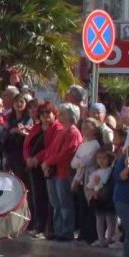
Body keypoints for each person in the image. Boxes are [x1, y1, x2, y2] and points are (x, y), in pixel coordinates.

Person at [41, 103, 83, 242]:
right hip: (54, 172)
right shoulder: (61, 131)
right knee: (56, 204)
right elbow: (51, 149)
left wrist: (49, 162)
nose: (59, 115)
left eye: (63, 113)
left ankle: (66, 231)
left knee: (65, 204)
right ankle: (58, 230)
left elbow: (67, 153)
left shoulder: (73, 132)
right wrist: (46, 162)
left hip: (64, 172)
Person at [24, 102, 56, 238]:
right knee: (37, 197)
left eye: (48, 113)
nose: (45, 116)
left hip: (47, 167)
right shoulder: (36, 128)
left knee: (48, 198)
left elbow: (52, 147)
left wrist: (37, 158)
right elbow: (26, 145)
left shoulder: (56, 128)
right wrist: (28, 159)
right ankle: (38, 226)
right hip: (33, 167)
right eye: (42, 113)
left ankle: (46, 228)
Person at [70, 118, 102, 245]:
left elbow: (88, 161)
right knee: (82, 206)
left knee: (90, 208)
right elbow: (74, 162)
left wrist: (80, 161)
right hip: (80, 177)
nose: (84, 130)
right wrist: (80, 161)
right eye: (83, 127)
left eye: (87, 128)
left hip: (90, 177)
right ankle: (83, 232)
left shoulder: (95, 144)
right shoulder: (83, 145)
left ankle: (91, 235)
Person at [87, 149, 117, 247]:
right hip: (98, 199)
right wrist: (92, 192)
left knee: (110, 218)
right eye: (99, 158)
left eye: (104, 158)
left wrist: (97, 185)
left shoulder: (111, 171)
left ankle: (109, 238)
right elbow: (89, 186)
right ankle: (101, 239)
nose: (101, 161)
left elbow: (104, 183)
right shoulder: (95, 172)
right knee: (99, 219)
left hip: (108, 198)